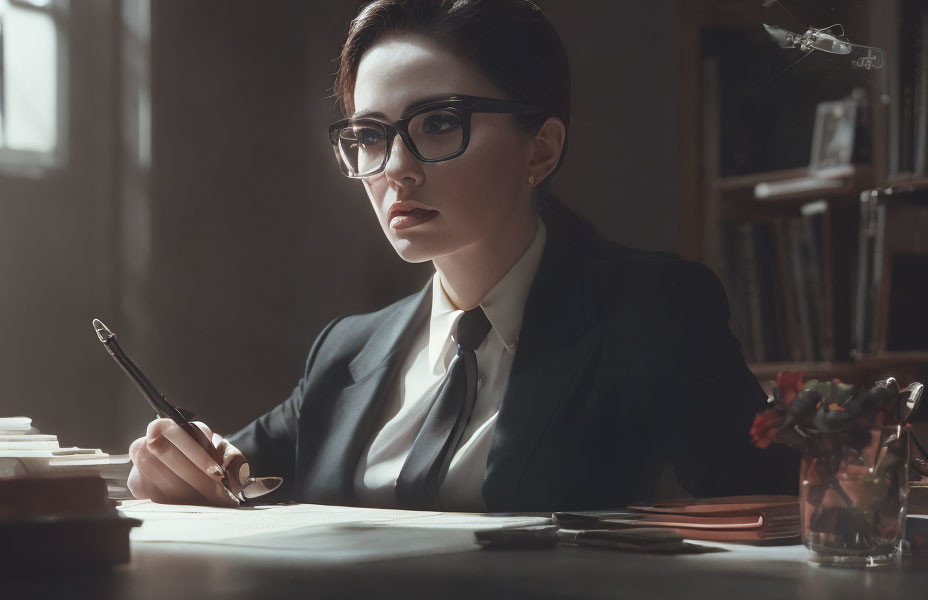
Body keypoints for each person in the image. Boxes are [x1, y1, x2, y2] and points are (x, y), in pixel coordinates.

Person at [127, 0, 798, 511]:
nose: (396, 170)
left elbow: (783, 510)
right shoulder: (348, 350)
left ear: (541, 149)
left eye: (439, 124)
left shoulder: (648, 311)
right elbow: (227, 472)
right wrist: (175, 467)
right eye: (368, 136)